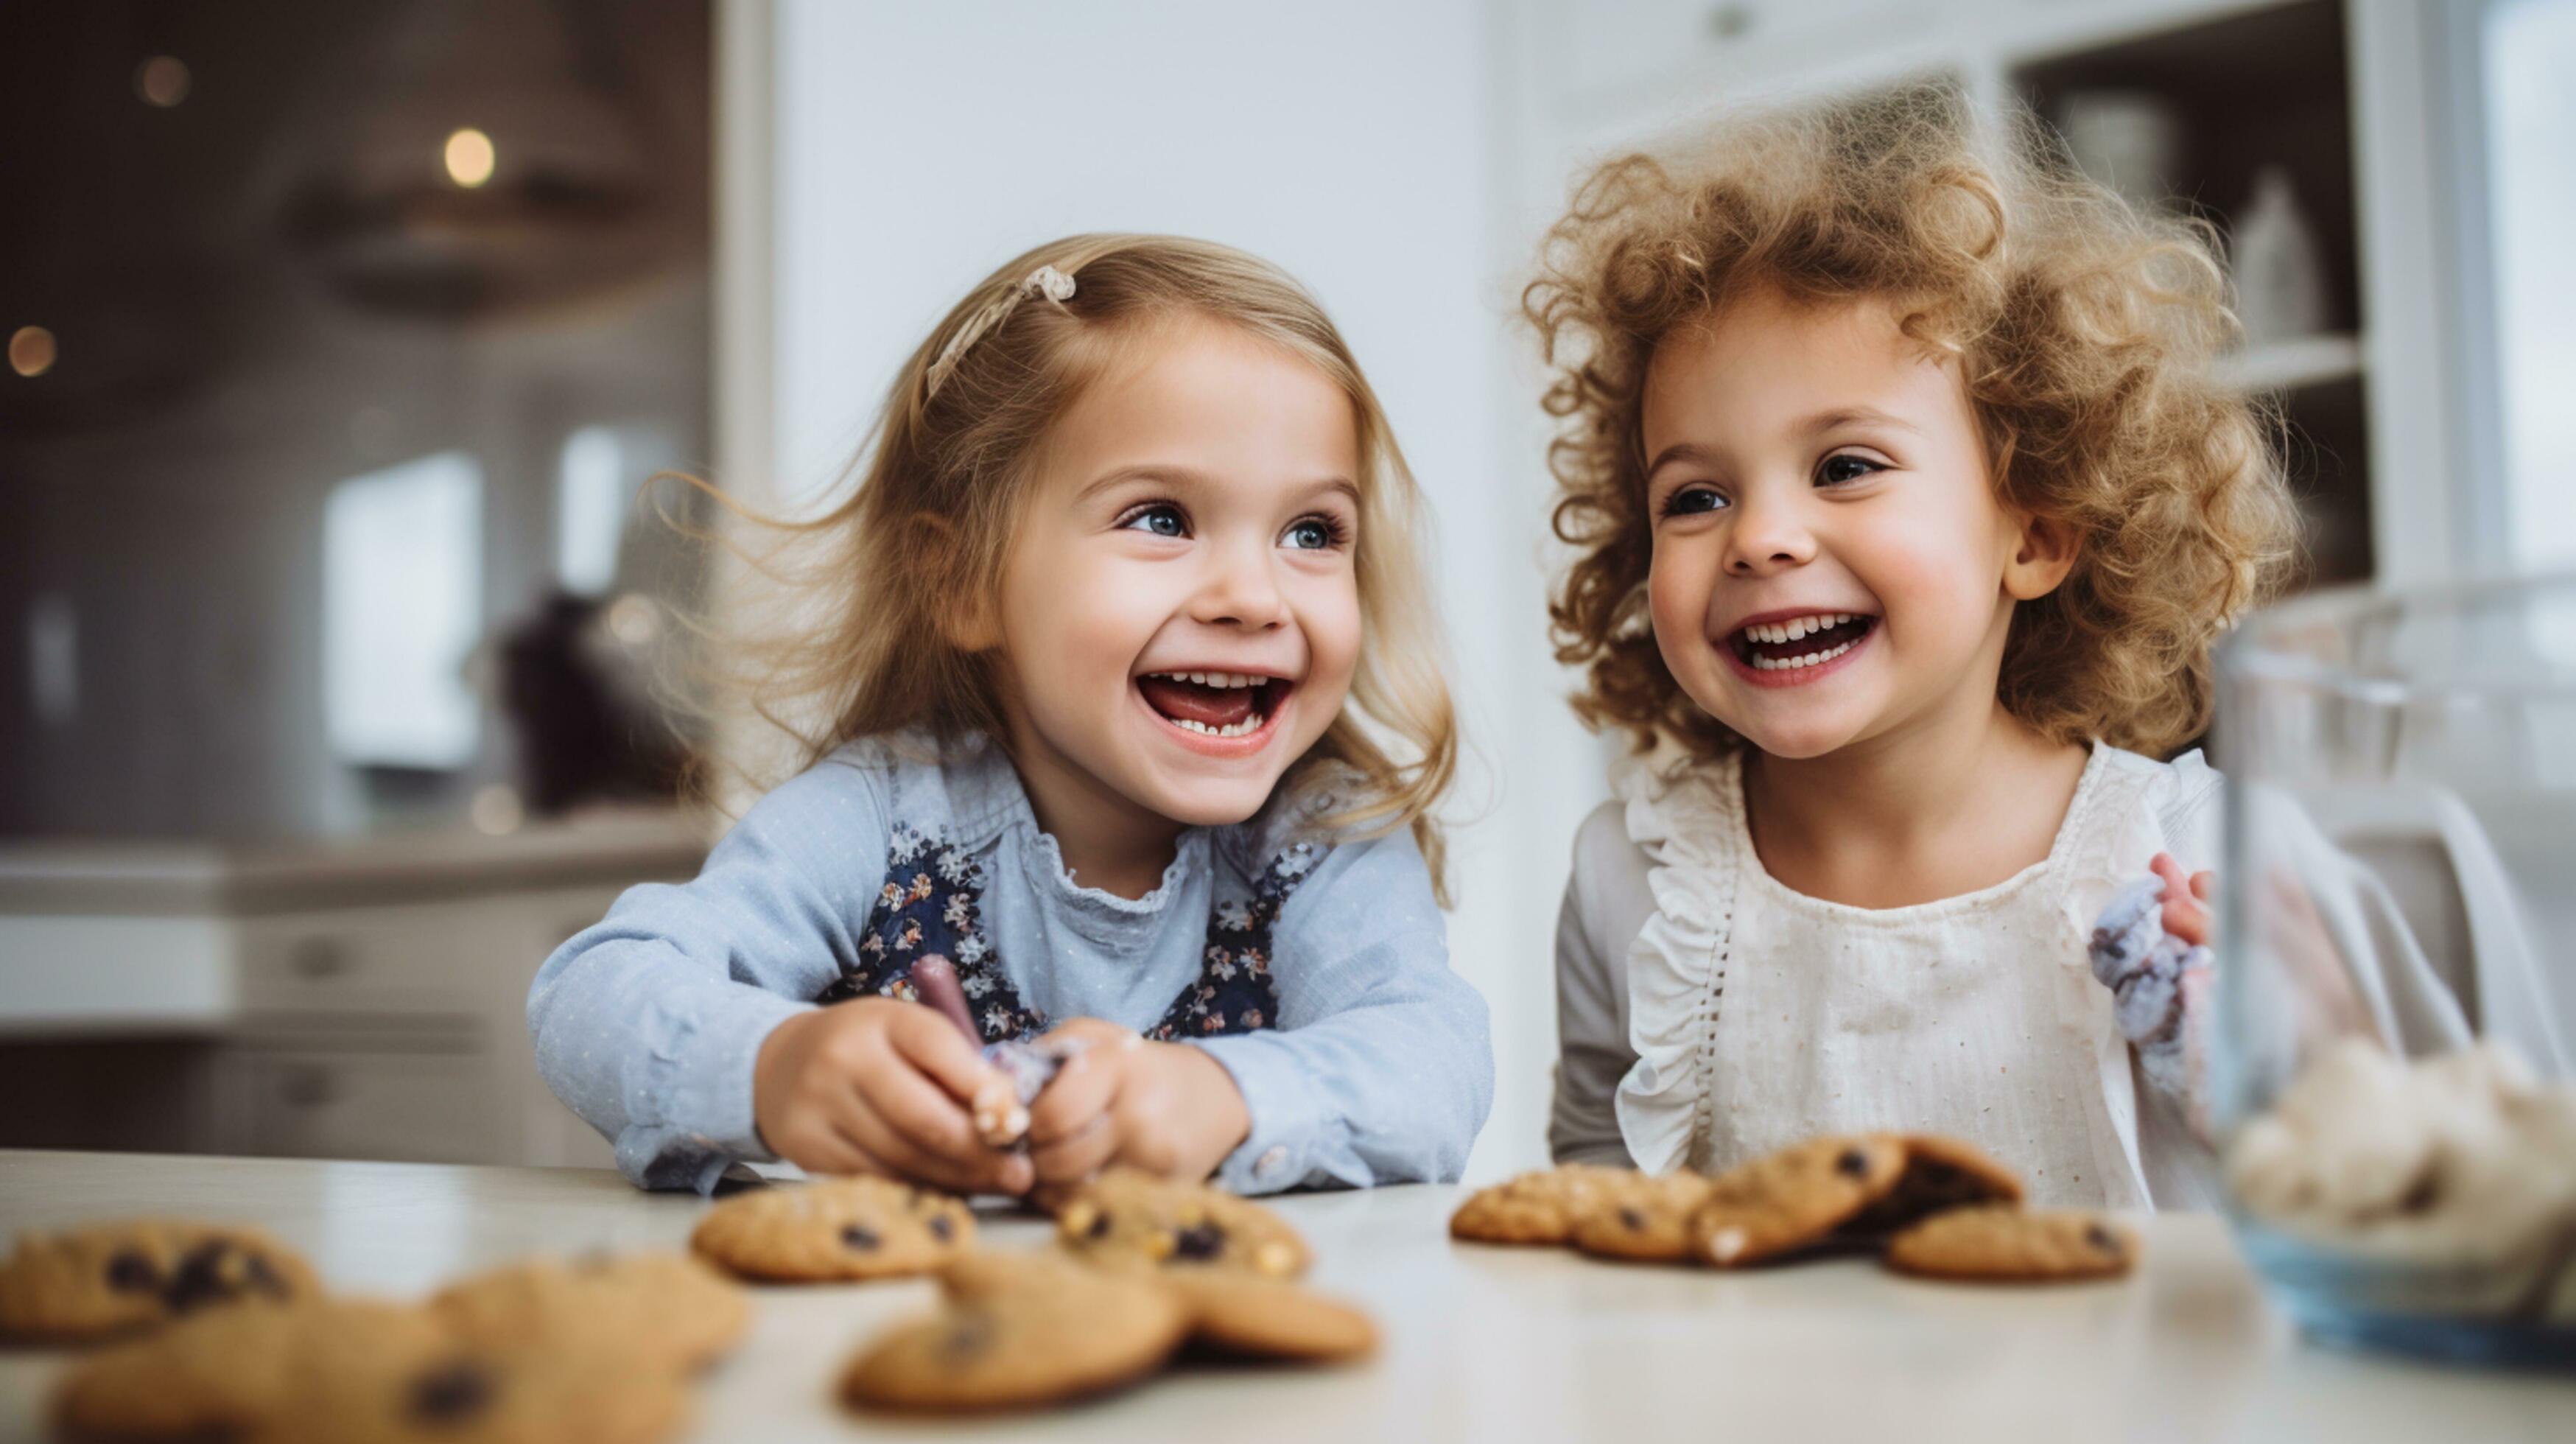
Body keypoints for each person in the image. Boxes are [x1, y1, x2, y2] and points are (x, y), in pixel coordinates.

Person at [530, 235, 1491, 1197]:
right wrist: (777, 1066)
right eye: (1160, 517)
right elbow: (593, 991)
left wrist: (1220, 1097)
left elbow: (1433, 1061)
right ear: (962, 580)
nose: (1255, 595)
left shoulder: (1324, 834)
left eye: (1311, 532)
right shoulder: (884, 815)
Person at [1532, 86, 2299, 1208]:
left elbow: (2344, 1184)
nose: (1759, 538)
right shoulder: (1630, 884)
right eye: (1693, 496)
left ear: (2033, 534)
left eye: (1844, 466)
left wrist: (2256, 1046)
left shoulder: (2185, 855)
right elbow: (1601, 1186)